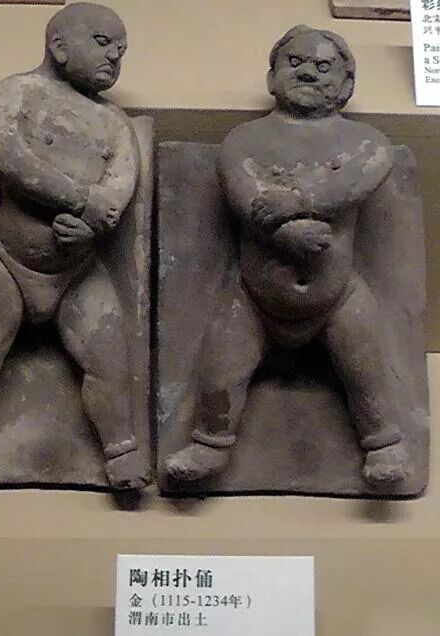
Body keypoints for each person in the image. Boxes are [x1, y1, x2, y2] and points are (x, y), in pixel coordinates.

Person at [164, 25, 409, 487]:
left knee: (367, 367)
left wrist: (298, 200)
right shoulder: (245, 140)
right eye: (294, 63)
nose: (308, 73)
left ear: (346, 86)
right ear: (271, 78)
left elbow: (356, 181)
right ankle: (210, 445)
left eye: (323, 67)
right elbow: (244, 195)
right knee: (221, 368)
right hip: (254, 298)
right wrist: (287, 235)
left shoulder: (364, 142)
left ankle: (384, 446)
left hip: (337, 296)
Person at [0, 2, 150, 490]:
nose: (114, 57)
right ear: (59, 45)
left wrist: (93, 225)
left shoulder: (114, 122)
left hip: (77, 273)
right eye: (103, 43)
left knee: (110, 368)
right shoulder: (18, 93)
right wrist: (81, 201)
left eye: (121, 52)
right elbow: (8, 154)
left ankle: (122, 451)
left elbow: (120, 187)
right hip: (6, 264)